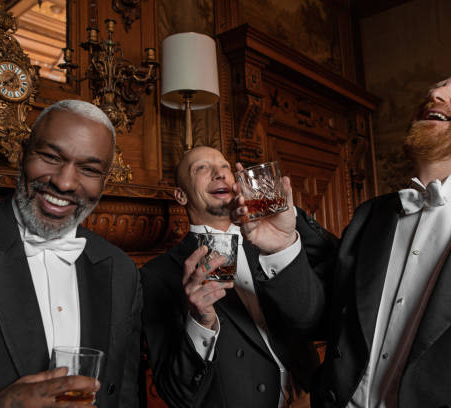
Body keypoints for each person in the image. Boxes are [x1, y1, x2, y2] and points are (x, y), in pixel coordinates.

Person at [232, 73, 451, 408]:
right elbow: (319, 321)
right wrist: (282, 246)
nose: (435, 92)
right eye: (434, 88)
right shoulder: (369, 217)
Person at [0, 100, 142, 408]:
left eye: (89, 169)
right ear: (23, 152)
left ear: (105, 181)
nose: (64, 182)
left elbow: (124, 397)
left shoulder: (123, 271)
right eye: (51, 157)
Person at [140, 146, 335, 408]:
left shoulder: (271, 240)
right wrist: (199, 322)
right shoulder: (157, 274)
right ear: (181, 195)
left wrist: (283, 237)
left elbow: (318, 313)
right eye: (201, 168)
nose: (219, 174)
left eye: (224, 167)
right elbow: (176, 394)